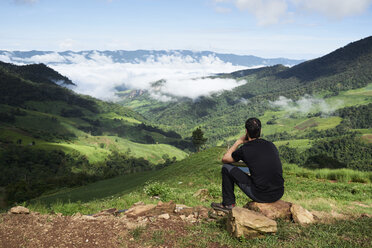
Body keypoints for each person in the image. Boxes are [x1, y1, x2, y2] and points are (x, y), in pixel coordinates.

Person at [211, 117, 284, 212]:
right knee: (244, 167)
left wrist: (238, 142)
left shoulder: (245, 149)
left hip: (261, 195)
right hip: (279, 192)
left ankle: (228, 204)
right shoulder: (271, 145)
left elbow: (225, 159)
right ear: (260, 130)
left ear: (246, 131)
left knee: (226, 168)